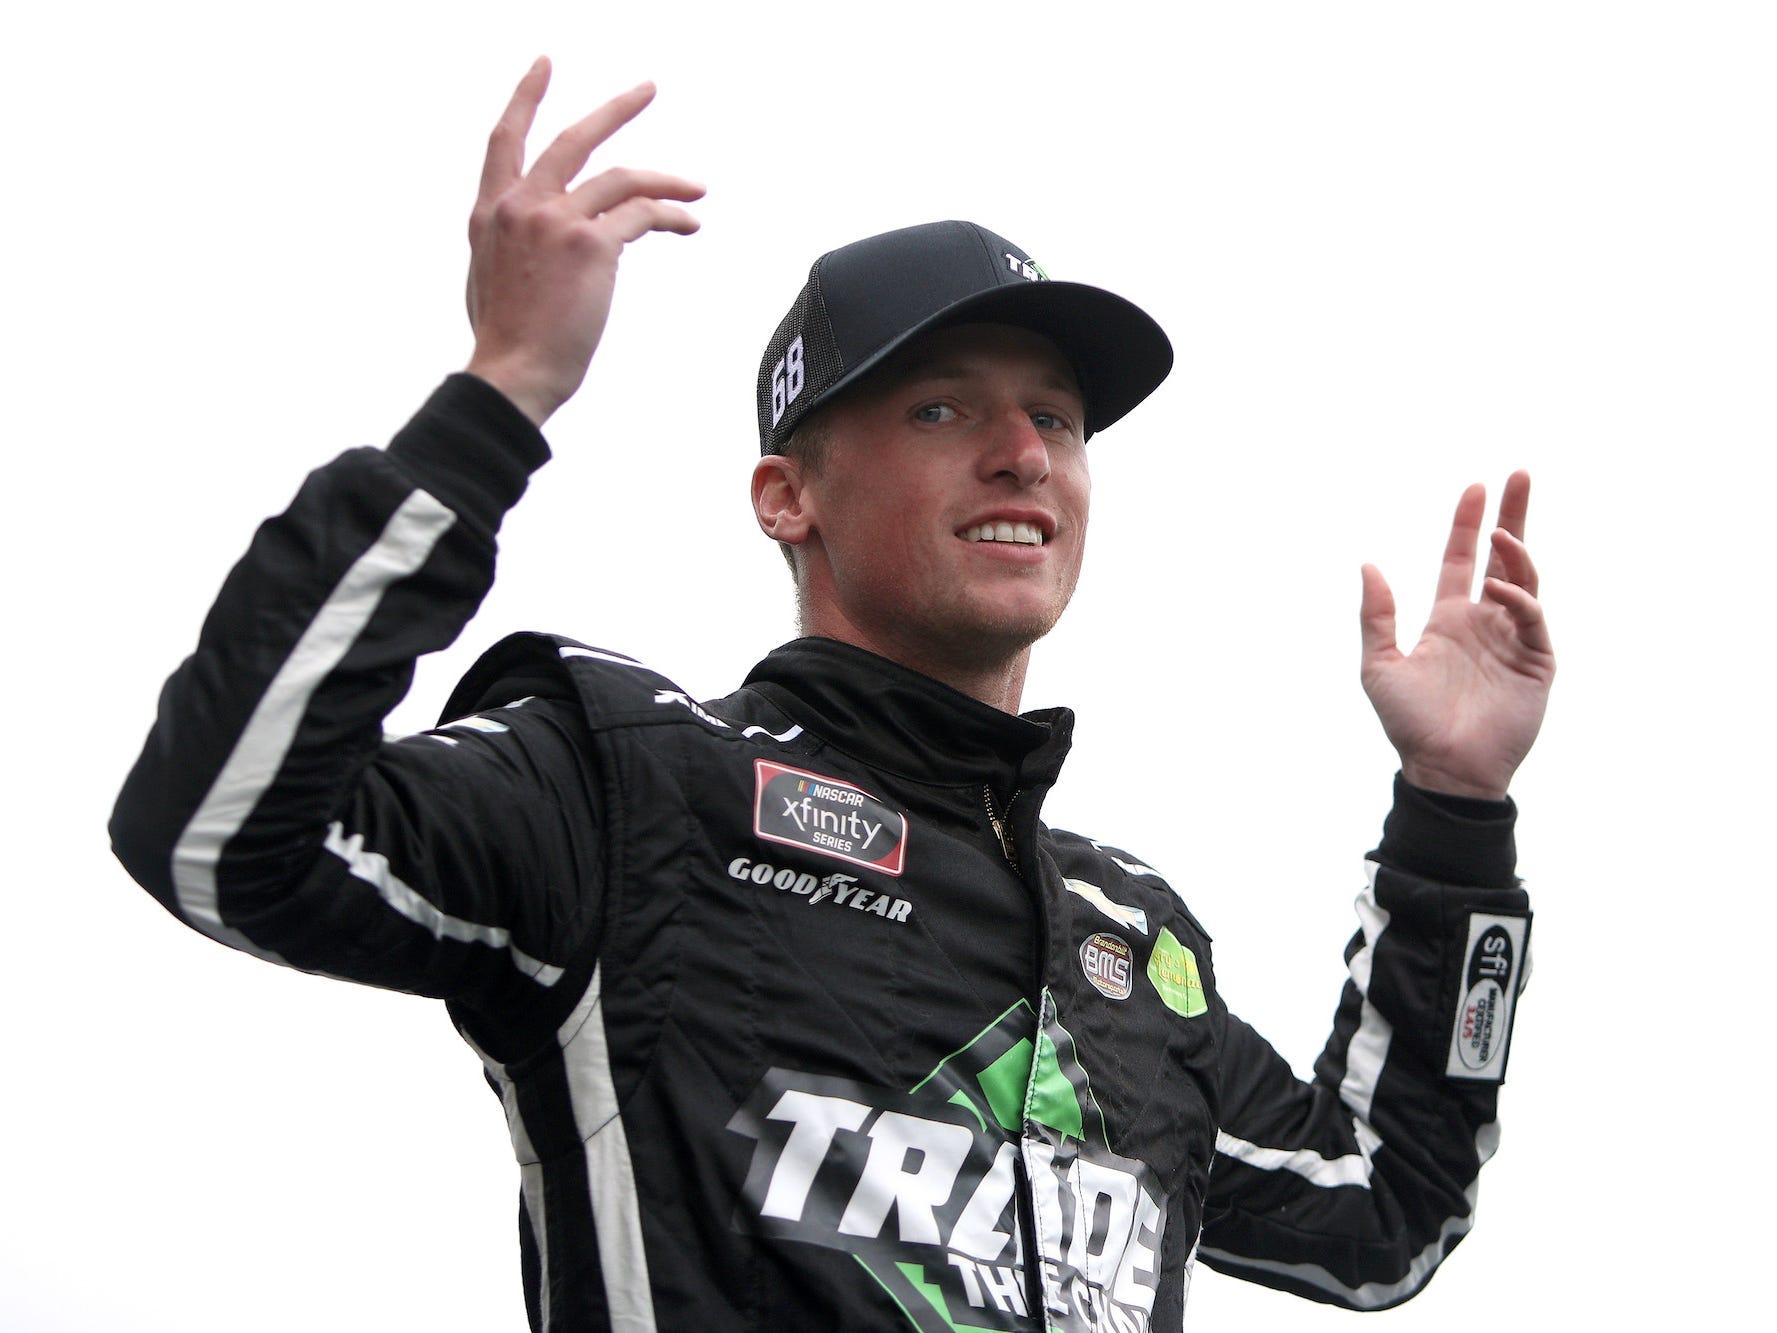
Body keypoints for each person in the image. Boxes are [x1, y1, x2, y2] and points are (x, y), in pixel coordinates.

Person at [110, 60, 1553, 1333]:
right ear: (784, 495)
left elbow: (1384, 1218)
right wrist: (501, 395)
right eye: (940, 407)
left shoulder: (1129, 934)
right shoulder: (633, 783)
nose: (1020, 454)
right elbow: (218, 830)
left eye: (1053, 415)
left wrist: (1454, 817)